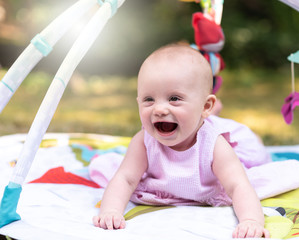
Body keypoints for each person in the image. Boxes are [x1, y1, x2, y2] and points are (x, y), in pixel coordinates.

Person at [92, 44, 271, 238]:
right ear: (138, 102)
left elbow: (238, 185)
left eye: (174, 98)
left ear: (205, 105)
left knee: (254, 155)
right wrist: (111, 211)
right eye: (149, 99)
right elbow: (125, 179)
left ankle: (217, 119)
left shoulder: (215, 145)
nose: (159, 109)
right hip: (195, 118)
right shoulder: (144, 142)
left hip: (222, 157)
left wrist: (251, 220)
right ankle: (199, 113)